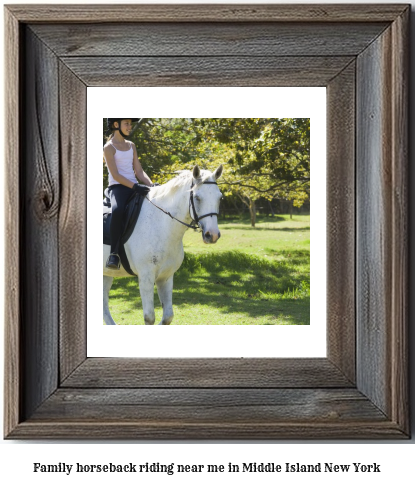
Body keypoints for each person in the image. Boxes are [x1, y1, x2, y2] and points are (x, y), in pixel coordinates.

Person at [104, 118, 152, 270]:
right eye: (127, 123)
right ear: (116, 125)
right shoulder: (108, 148)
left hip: (134, 186)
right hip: (118, 188)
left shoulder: (131, 145)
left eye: (130, 124)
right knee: (118, 211)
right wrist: (135, 187)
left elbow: (138, 171)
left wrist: (151, 185)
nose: (130, 127)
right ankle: (113, 254)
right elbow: (116, 175)